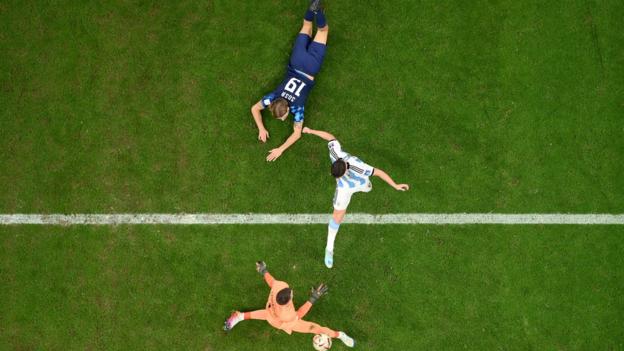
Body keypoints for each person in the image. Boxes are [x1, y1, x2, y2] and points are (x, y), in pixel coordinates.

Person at [303, 127, 410, 268]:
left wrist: (395, 185)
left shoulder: (360, 168)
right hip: (344, 189)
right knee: (337, 217)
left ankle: (365, 187)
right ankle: (329, 249)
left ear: (346, 170)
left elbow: (378, 172)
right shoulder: (335, 154)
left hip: (359, 183)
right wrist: (311, 131)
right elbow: (330, 137)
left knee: (368, 188)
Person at [251, 0, 329, 162]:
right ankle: (313, 7)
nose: (281, 119)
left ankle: (319, 10)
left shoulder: (298, 107)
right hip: (296, 61)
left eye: (282, 116)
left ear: (287, 109)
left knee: (323, 30)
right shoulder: (272, 97)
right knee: (307, 25)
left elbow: (297, 134)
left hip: (310, 66)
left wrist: (280, 149)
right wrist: (261, 127)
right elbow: (255, 109)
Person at [224, 261, 355, 348]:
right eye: (291, 294)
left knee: (263, 315)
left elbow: (272, 282)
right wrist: (314, 297)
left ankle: (239, 316)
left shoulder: (280, 287)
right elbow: (300, 313)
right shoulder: (287, 314)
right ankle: (340, 335)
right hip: (282, 321)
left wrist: (264, 271)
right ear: (288, 301)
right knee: (316, 329)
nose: (291, 292)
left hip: (270, 312)